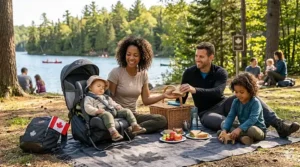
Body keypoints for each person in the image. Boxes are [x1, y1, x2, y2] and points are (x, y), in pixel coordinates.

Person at [179, 42, 299, 138]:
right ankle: (243, 133)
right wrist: (177, 97)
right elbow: (181, 98)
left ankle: (280, 126)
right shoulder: (189, 73)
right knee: (223, 122)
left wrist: (195, 90)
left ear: (211, 57)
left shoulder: (220, 72)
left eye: (201, 56)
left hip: (224, 104)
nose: (197, 59)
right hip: (205, 113)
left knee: (253, 98)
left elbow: (217, 92)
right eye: (196, 56)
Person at [108, 36, 177, 134]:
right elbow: (107, 99)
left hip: (133, 116)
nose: (131, 58)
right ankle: (129, 130)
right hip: (118, 115)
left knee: (161, 120)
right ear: (124, 55)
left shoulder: (143, 73)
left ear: (142, 57)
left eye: (135, 55)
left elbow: (146, 100)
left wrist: (164, 95)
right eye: (129, 54)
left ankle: (131, 131)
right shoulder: (115, 73)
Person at [84, 75, 146, 141]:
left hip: (112, 111)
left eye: (103, 87)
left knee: (127, 111)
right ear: (90, 88)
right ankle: (113, 132)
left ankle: (135, 126)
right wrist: (96, 111)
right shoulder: (89, 98)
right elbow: (87, 107)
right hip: (101, 114)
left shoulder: (105, 97)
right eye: (99, 86)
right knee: (107, 114)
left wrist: (117, 106)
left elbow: (112, 102)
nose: (102, 88)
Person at [219, 73, 266, 145]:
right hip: (242, 128)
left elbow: (253, 119)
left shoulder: (255, 102)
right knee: (224, 123)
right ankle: (241, 138)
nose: (238, 95)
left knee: (251, 130)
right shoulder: (236, 102)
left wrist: (239, 129)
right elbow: (230, 116)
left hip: (256, 130)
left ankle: (231, 136)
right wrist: (225, 129)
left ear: (250, 90)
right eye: (236, 92)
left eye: (241, 92)